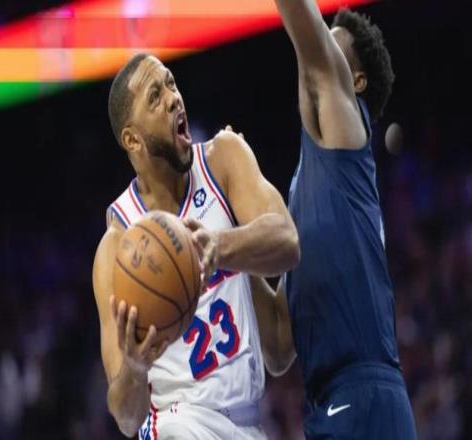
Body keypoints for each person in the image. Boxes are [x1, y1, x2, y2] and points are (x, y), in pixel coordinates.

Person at [92, 53, 299, 439]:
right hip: (178, 421)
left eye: (171, 83)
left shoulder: (223, 159)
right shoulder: (116, 248)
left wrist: (220, 245)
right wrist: (134, 369)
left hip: (249, 421)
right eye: (155, 97)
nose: (173, 98)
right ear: (132, 139)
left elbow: (288, 242)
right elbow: (126, 418)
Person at [271, 2, 418, 439]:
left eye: (331, 48)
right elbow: (278, 342)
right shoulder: (307, 192)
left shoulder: (347, 129)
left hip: (362, 394)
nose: (315, 52)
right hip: (334, 402)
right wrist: (219, 247)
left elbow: (309, 39)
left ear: (355, 82)